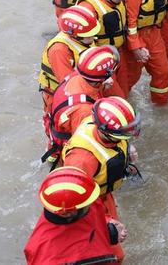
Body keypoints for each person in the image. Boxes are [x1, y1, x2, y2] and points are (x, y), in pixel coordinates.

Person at [62, 96, 141, 262]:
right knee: (113, 255)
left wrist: (127, 149)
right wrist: (106, 224)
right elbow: (72, 204)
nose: (130, 133)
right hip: (91, 204)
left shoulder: (100, 124)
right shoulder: (82, 160)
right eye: (126, 133)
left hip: (103, 195)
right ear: (109, 134)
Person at [24, 166, 124, 265]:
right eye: (88, 204)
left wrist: (109, 228)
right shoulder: (46, 256)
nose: (93, 202)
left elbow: (95, 214)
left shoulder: (83, 201)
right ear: (67, 213)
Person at [38, 5, 100, 162]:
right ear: (74, 35)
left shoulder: (85, 38)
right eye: (89, 35)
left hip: (85, 89)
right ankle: (56, 158)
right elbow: (68, 83)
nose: (93, 38)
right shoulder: (59, 50)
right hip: (59, 96)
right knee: (60, 131)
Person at [42, 45, 120, 164]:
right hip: (70, 152)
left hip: (59, 134)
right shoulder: (84, 111)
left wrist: (102, 85)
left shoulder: (76, 77)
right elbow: (85, 142)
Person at [77, 0, 131, 97]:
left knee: (125, 87)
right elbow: (84, 41)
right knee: (116, 95)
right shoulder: (89, 7)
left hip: (118, 51)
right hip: (101, 59)